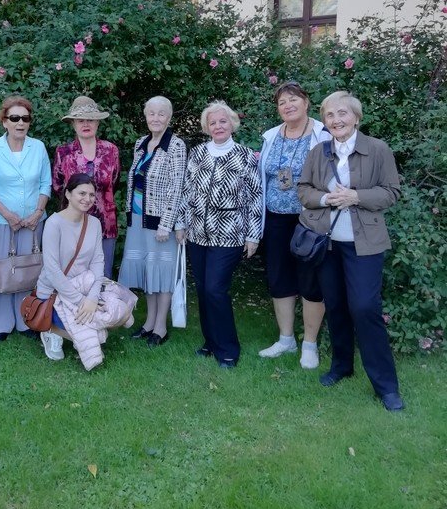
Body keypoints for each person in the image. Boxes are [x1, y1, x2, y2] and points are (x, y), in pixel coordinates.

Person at [298, 91, 404, 411]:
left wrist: (356, 196)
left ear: (356, 117)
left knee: (364, 307)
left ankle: (386, 386)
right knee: (336, 305)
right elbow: (304, 190)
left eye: (342, 113)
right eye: (330, 115)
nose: (336, 120)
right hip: (326, 242)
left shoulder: (377, 149)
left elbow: (391, 192)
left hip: (365, 243)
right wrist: (325, 199)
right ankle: (342, 366)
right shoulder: (318, 151)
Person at [176, 101, 262, 368]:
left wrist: (253, 235)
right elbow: (186, 190)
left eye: (222, 121)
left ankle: (228, 349)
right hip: (197, 234)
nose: (218, 126)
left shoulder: (245, 155)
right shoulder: (197, 153)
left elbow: (256, 196)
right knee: (203, 289)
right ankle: (210, 342)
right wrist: (180, 223)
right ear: (206, 127)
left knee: (215, 289)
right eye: (212, 122)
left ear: (232, 123)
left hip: (229, 234)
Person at [258, 81, 331, 369]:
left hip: (309, 219)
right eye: (282, 102)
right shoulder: (271, 136)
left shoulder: (323, 135)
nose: (287, 105)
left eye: (293, 99)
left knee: (310, 281)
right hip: (275, 218)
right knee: (279, 279)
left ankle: (309, 344)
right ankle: (286, 339)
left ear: (306, 102)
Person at [37, 174, 136, 371]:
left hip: (85, 285)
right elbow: (52, 270)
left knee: (116, 310)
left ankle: (77, 331)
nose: (87, 199)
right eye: (82, 193)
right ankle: (51, 331)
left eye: (91, 195)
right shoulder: (54, 223)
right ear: (68, 194)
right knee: (92, 326)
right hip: (55, 292)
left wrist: (92, 298)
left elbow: (98, 262)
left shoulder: (94, 223)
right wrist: (82, 302)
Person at [0, 96, 52, 341]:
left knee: (29, 271)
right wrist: (8, 215)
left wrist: (38, 213)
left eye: (25, 118)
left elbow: (45, 183)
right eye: (14, 118)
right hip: (2, 222)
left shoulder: (38, 147)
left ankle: (26, 319)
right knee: (3, 270)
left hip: (33, 222)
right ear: (4, 122)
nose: (20, 123)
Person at [118, 96, 186, 346]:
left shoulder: (176, 145)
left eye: (161, 114)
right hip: (138, 218)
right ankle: (148, 322)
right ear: (146, 116)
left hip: (160, 222)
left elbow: (177, 187)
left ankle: (161, 326)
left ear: (169, 117)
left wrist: (166, 224)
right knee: (148, 270)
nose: (156, 118)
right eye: (151, 113)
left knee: (162, 272)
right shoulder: (141, 143)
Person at [52, 96, 120, 278]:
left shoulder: (111, 150)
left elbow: (113, 182)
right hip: (72, 223)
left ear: (97, 123)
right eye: (80, 120)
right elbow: (58, 187)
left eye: (90, 119)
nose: (86, 124)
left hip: (105, 225)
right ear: (73, 124)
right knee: (72, 276)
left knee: (102, 276)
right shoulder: (63, 152)